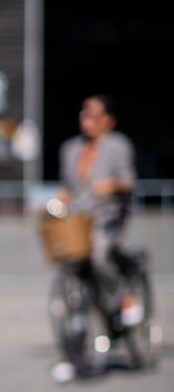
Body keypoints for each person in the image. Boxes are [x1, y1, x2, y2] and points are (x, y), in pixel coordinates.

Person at [58, 94, 138, 328]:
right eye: (84, 114)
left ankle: (121, 301)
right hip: (79, 218)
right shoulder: (71, 149)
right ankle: (79, 313)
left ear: (107, 120)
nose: (86, 119)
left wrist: (112, 184)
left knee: (99, 255)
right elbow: (68, 188)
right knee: (68, 256)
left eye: (93, 115)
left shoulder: (118, 145)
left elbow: (129, 180)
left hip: (108, 216)